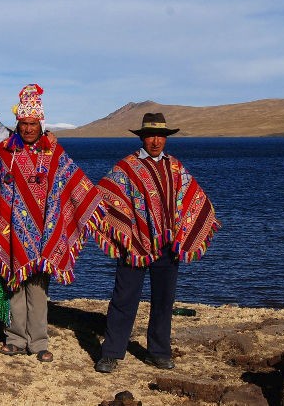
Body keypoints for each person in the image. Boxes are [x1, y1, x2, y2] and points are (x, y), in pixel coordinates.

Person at [0, 83, 104, 363]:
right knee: (13, 286)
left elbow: (76, 183)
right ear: (18, 123)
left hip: (44, 235)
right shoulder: (3, 154)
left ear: (41, 124)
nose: (28, 129)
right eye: (23, 124)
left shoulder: (54, 154)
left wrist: (100, 206)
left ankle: (39, 342)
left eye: (33, 124)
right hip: (11, 233)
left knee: (38, 289)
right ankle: (15, 338)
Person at [92, 112, 220, 373]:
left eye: (160, 136)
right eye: (151, 136)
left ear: (166, 138)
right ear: (142, 138)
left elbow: (192, 196)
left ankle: (158, 352)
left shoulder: (175, 167)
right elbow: (104, 195)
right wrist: (123, 228)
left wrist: (196, 222)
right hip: (135, 245)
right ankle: (111, 353)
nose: (155, 141)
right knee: (124, 298)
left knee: (164, 300)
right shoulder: (126, 167)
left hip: (167, 245)